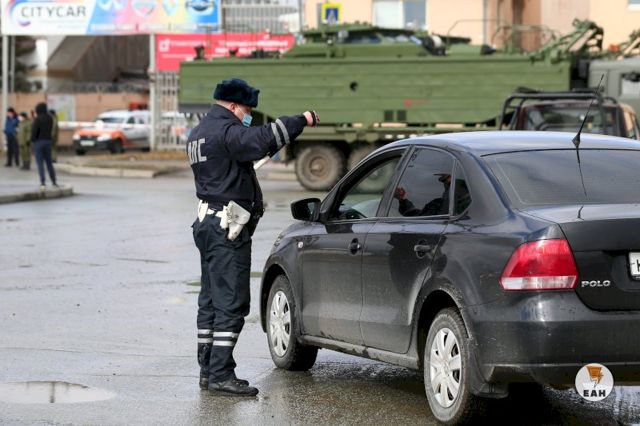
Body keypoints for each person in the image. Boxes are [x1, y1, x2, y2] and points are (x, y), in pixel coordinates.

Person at [188, 77, 319, 397]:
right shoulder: (226, 131)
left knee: (210, 302)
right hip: (226, 228)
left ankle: (208, 371)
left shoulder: (199, 133)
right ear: (233, 106)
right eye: (246, 111)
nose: (247, 117)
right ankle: (221, 374)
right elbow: (262, 139)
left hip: (207, 224)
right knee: (231, 302)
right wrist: (301, 120)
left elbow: (252, 149)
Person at [31, 102, 58, 190]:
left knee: (40, 163)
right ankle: (54, 181)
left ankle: (43, 182)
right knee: (49, 162)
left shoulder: (37, 119)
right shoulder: (50, 118)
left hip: (39, 142)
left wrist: (32, 140)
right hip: (48, 141)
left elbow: (34, 131)